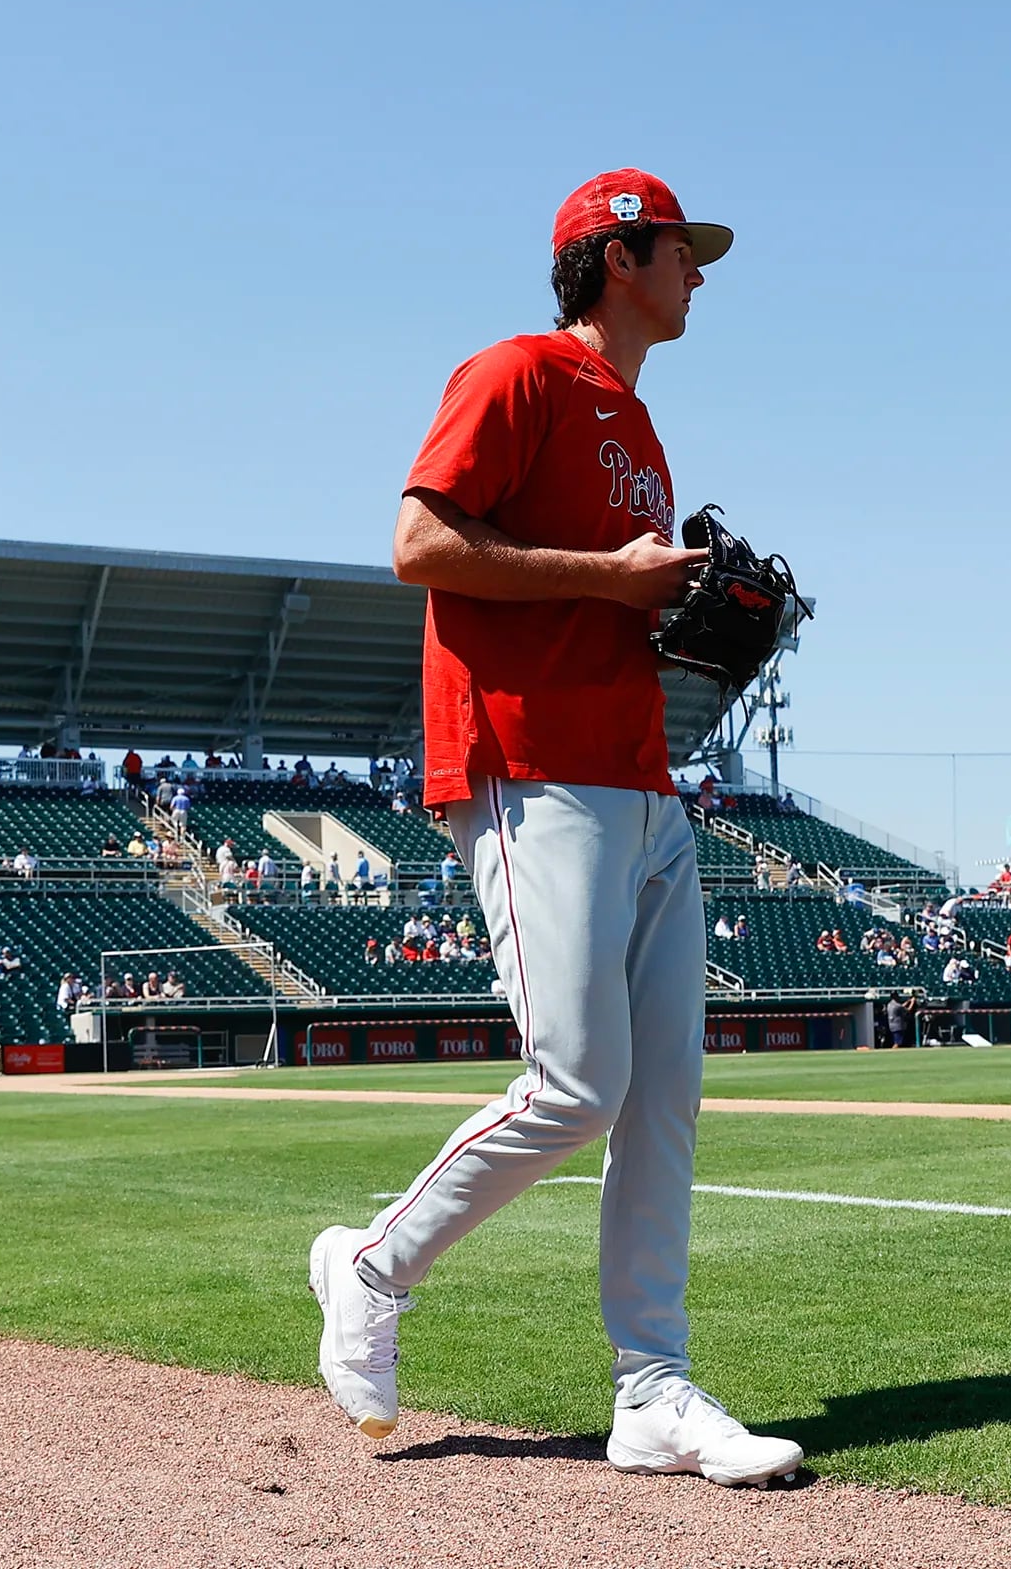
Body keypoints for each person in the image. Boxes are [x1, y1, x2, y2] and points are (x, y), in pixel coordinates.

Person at [308, 170, 800, 1487]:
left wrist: (684, 615)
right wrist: (612, 575)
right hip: (530, 766)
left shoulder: (640, 425)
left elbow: (599, 596)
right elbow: (420, 542)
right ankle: (370, 1264)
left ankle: (653, 1392)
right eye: (680, 251)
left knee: (666, 1104)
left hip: (642, 777)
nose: (698, 270)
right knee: (579, 1085)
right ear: (616, 257)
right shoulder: (517, 374)